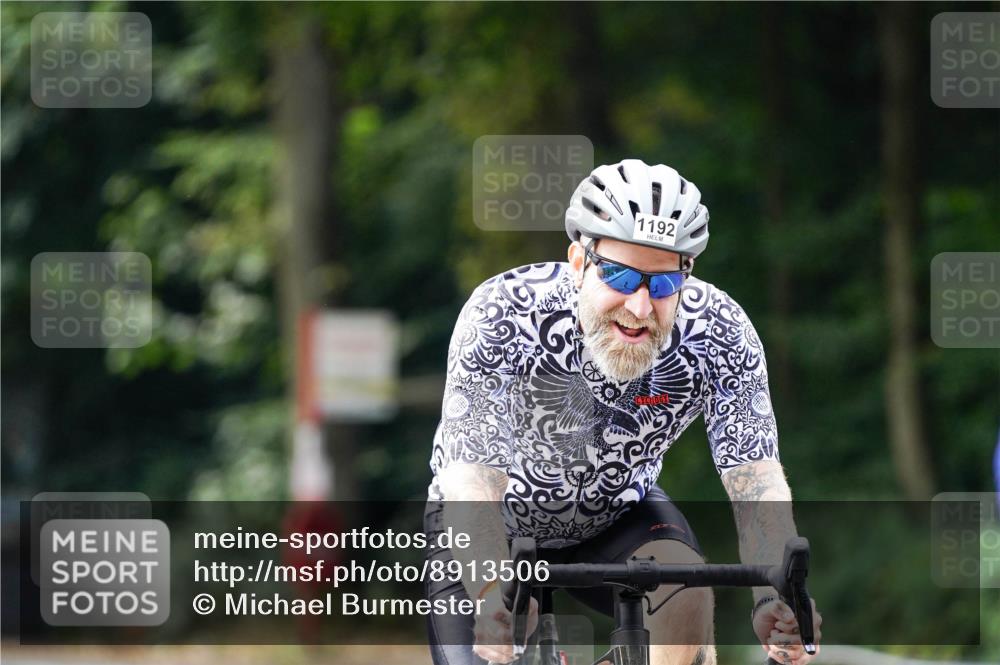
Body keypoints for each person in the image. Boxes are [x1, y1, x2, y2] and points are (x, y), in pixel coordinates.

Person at [424, 159, 822, 665]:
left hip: (617, 512)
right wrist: (488, 591)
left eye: (661, 285)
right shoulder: (505, 312)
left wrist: (774, 595)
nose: (638, 308)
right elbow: (471, 477)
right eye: (618, 275)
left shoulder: (719, 333)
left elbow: (756, 480)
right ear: (578, 261)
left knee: (688, 595)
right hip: (492, 521)